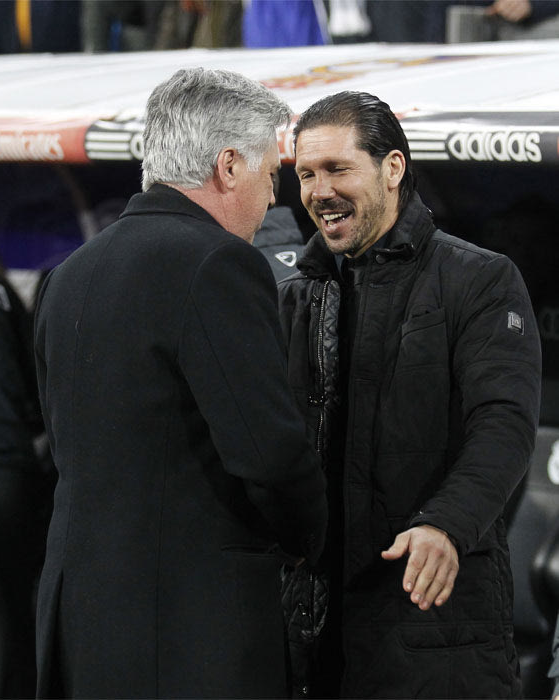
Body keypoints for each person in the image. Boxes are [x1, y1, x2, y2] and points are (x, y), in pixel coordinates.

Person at [33, 68, 328, 699]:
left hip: (79, 621)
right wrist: (311, 539)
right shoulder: (218, 262)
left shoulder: (68, 275)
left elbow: (63, 442)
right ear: (229, 165)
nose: (271, 199)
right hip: (186, 630)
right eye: (270, 175)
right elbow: (268, 454)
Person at [278, 91, 541, 698]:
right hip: (315, 642)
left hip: (435, 626)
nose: (319, 191)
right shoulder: (294, 298)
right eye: (306, 174)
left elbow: (503, 425)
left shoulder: (480, 279)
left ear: (392, 168)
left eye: (337, 169)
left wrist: (445, 525)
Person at [0, 225, 52, 699]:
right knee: (11, 626)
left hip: (0, 466)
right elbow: (38, 388)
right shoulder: (0, 291)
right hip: (4, 471)